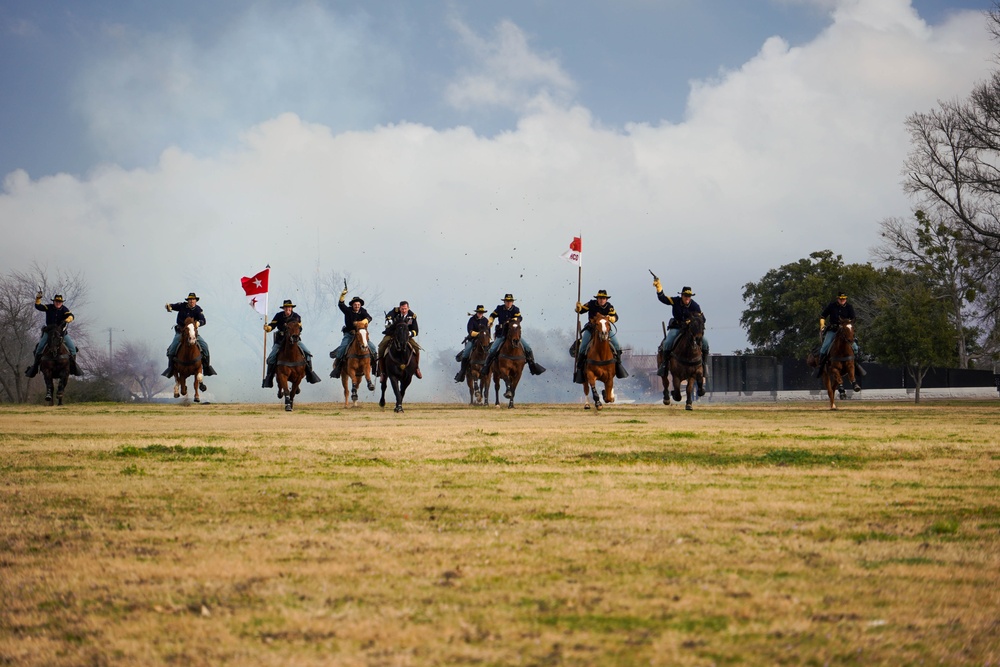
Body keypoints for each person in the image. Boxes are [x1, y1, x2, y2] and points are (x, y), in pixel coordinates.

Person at [653, 280, 710, 378]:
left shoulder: (695, 306)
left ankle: (704, 365)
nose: (687, 298)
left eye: (689, 296)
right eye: (685, 296)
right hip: (677, 327)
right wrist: (659, 288)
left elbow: (703, 319)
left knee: (705, 343)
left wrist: (692, 321)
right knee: (667, 343)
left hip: (691, 331)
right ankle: (665, 365)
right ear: (682, 295)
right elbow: (663, 298)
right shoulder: (675, 301)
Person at [480, 294, 546, 375]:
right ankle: (486, 367)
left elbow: (520, 318)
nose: (508, 303)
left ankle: (532, 366)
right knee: (493, 349)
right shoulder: (499, 308)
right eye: (507, 301)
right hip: (502, 334)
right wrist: (490, 321)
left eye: (510, 301)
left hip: (514, 334)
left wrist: (515, 319)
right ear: (504, 301)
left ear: (512, 302)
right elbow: (493, 315)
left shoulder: (516, 309)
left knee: (528, 347)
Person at [261, 299, 321, 387]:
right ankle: (269, 377)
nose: (287, 309)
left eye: (289, 307)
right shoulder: (278, 316)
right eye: (285, 308)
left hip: (295, 341)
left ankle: (309, 373)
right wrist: (268, 328)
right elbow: (273, 325)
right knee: (271, 358)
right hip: (280, 341)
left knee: (307, 353)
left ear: (291, 308)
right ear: (283, 309)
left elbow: (300, 328)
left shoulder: (297, 317)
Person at [574, 289, 628, 382]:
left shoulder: (609, 307)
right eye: (600, 298)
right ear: (597, 299)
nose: (601, 300)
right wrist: (578, 308)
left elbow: (616, 317)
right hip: (591, 330)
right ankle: (580, 367)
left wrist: (611, 318)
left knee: (617, 345)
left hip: (606, 330)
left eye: (603, 298)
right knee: (582, 346)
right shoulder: (591, 304)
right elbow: (581, 311)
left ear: (606, 299)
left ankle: (618, 364)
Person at [25, 292, 83, 378]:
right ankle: (35, 367)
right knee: (39, 348)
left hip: (61, 333)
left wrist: (67, 320)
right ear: (54, 302)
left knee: (72, 349)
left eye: (59, 302)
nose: (58, 303)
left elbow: (71, 316)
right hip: (49, 332)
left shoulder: (64, 309)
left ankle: (73, 367)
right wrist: (38, 298)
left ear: (62, 302)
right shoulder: (48, 307)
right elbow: (38, 306)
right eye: (56, 301)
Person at [162, 292, 217, 378]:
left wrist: (199, 323)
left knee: (205, 346)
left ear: (196, 301)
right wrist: (168, 306)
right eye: (190, 300)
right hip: (181, 332)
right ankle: (171, 368)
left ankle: (206, 367)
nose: (191, 301)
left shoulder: (198, 310)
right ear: (187, 300)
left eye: (193, 300)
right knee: (173, 347)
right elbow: (172, 306)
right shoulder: (182, 306)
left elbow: (203, 320)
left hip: (192, 333)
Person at [815, 290, 865, 378]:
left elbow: (853, 318)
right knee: (825, 346)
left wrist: (848, 326)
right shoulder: (831, 306)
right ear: (838, 299)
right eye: (841, 299)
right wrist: (822, 325)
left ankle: (856, 363)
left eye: (844, 299)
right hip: (833, 330)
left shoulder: (849, 307)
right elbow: (823, 316)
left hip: (845, 331)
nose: (842, 300)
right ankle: (820, 366)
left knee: (855, 347)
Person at [330, 288, 378, 378]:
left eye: (358, 304)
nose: (357, 306)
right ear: (352, 305)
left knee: (373, 348)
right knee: (342, 348)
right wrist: (342, 296)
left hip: (361, 336)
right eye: (355, 304)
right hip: (349, 334)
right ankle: (338, 368)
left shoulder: (363, 311)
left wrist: (364, 321)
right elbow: (341, 305)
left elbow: (369, 318)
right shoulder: (347, 310)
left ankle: (375, 367)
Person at [377, 300, 422, 379]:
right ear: (399, 308)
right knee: (381, 347)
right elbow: (388, 323)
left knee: (416, 348)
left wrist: (409, 334)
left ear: (408, 308)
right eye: (402, 309)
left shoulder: (412, 316)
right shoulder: (393, 313)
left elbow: (415, 330)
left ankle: (416, 369)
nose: (404, 310)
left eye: (405, 309)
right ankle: (382, 371)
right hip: (392, 335)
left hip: (406, 336)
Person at [454, 305, 491, 382]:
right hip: (473, 340)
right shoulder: (472, 320)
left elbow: (488, 333)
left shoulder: (486, 321)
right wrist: (479, 334)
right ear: (477, 312)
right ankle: (462, 372)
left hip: (484, 341)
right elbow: (470, 331)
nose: (480, 314)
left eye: (481, 312)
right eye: (479, 312)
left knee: (491, 353)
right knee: (466, 353)